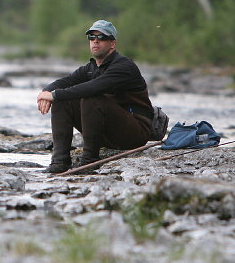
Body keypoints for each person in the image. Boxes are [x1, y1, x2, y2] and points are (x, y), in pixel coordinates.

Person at [36, 20, 156, 173]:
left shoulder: (124, 67)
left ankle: (89, 161)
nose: (95, 41)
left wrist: (54, 95)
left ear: (112, 43)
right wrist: (45, 94)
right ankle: (59, 162)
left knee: (91, 98)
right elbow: (65, 82)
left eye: (102, 37)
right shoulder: (91, 68)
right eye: (92, 37)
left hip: (134, 133)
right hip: (107, 132)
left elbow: (93, 87)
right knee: (62, 100)